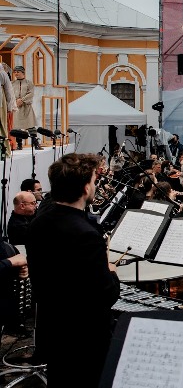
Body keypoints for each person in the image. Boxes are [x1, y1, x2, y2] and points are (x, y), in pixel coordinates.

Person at [26, 153, 121, 387]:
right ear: (85, 188)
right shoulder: (87, 234)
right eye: (94, 181)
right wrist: (110, 270)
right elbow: (105, 295)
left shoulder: (38, 223)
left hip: (54, 329)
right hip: (85, 338)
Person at [11, 65, 37, 150]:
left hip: (26, 107)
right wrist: (15, 101)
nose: (16, 74)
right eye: (15, 72)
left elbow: (31, 93)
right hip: (17, 107)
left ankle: (35, 143)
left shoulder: (29, 83)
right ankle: (19, 144)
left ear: (22, 72)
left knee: (30, 125)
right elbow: (10, 94)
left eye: (18, 72)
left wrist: (22, 100)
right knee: (17, 126)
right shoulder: (12, 83)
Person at [0, 63, 18, 155]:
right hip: (3, 101)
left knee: (3, 125)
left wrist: (10, 106)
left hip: (2, 102)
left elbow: (8, 91)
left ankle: (5, 149)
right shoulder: (3, 73)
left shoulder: (2, 73)